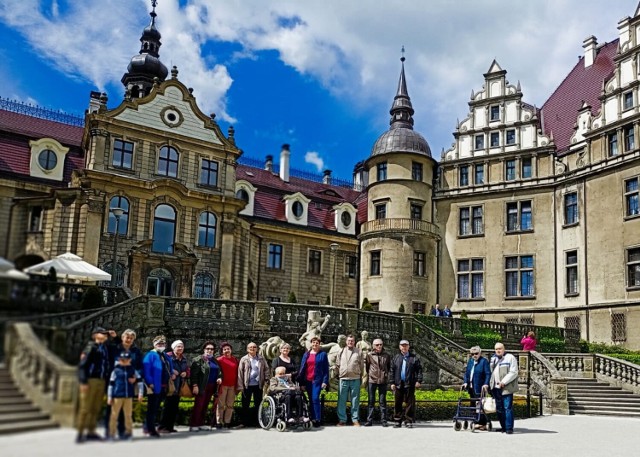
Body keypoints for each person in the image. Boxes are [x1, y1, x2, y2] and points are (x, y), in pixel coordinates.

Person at [75, 326, 111, 443]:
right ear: (95, 335)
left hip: (101, 380)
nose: (105, 335)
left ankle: (91, 431)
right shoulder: (91, 347)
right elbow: (82, 366)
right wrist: (83, 381)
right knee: (85, 408)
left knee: (96, 408)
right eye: (102, 333)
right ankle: (80, 433)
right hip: (91, 380)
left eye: (105, 334)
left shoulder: (104, 348)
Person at [106, 328, 143, 439]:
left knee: (127, 414)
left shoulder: (136, 351)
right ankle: (110, 433)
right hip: (116, 380)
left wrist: (135, 378)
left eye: (131, 338)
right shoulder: (117, 348)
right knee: (113, 412)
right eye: (127, 337)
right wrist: (115, 337)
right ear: (123, 338)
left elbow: (140, 367)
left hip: (129, 381)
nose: (129, 339)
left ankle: (124, 432)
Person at [142, 335, 175, 438]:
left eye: (163, 344)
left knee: (156, 408)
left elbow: (170, 366)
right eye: (159, 344)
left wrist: (172, 373)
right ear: (154, 344)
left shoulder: (165, 355)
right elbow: (146, 370)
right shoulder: (150, 355)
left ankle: (147, 426)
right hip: (154, 385)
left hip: (163, 385)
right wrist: (150, 382)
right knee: (152, 408)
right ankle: (151, 429)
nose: (161, 345)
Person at [189, 341, 223, 431]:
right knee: (198, 405)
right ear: (204, 349)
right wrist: (195, 385)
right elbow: (194, 375)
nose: (210, 350)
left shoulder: (214, 360)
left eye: (212, 349)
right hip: (201, 386)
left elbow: (219, 371)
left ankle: (201, 423)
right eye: (208, 348)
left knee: (205, 405)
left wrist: (219, 377)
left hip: (212, 386)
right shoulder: (198, 359)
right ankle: (194, 424)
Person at [389, 339, 423, 428]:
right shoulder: (396, 358)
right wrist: (392, 382)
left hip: (410, 383)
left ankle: (408, 420)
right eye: (402, 345)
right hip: (398, 383)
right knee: (397, 403)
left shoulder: (414, 358)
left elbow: (419, 370)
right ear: (399, 347)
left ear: (408, 347)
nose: (404, 347)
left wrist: (419, 381)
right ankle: (397, 420)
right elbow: (392, 371)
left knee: (410, 403)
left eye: (406, 345)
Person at [236, 342, 270, 428]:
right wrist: (240, 386)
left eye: (254, 347)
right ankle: (244, 422)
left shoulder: (261, 359)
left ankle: (258, 422)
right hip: (247, 385)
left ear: (257, 349)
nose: (252, 348)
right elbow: (240, 373)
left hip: (258, 385)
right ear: (247, 349)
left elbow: (266, 369)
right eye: (250, 347)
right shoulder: (244, 359)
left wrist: (266, 378)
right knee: (245, 404)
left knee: (258, 404)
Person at [298, 336, 329, 428]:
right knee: (310, 400)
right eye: (313, 342)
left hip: (317, 381)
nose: (315, 344)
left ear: (319, 344)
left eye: (317, 343)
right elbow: (302, 369)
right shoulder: (306, 354)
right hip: (308, 380)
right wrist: (302, 383)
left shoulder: (322, 354)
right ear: (311, 344)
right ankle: (312, 417)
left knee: (315, 398)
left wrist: (325, 381)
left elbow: (326, 369)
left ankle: (318, 419)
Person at [159, 340, 188, 433]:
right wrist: (171, 372)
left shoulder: (183, 358)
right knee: (167, 406)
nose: (180, 348)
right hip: (170, 385)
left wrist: (186, 373)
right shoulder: (167, 356)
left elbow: (187, 369)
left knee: (174, 407)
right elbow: (162, 367)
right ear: (173, 347)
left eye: (182, 347)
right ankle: (162, 427)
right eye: (178, 346)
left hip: (179, 385)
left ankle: (170, 426)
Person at [490, 342, 519, 434]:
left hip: (506, 387)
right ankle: (503, 426)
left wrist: (504, 382)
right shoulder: (493, 359)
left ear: (504, 349)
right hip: (495, 387)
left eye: (500, 348)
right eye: (496, 349)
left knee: (507, 407)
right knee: (499, 408)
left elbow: (513, 372)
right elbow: (491, 373)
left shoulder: (510, 358)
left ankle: (509, 428)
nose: (498, 350)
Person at [336, 334, 364, 426]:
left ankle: (355, 419)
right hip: (343, 378)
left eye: (352, 341)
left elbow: (361, 365)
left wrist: (358, 373)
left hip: (355, 378)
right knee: (341, 400)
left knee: (355, 400)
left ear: (354, 342)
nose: (350, 342)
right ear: (346, 341)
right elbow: (338, 364)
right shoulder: (341, 351)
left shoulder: (358, 352)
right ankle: (342, 419)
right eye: (349, 340)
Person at [461, 346, 491, 430]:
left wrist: (486, 384)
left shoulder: (484, 361)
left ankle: (483, 423)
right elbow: (467, 373)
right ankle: (475, 420)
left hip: (480, 387)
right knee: (473, 405)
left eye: (476, 353)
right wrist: (465, 382)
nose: (474, 355)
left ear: (480, 353)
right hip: (471, 387)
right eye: (472, 354)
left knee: (481, 406)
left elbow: (488, 374)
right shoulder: (470, 361)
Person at [364, 338, 391, 427]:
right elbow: (367, 367)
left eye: (380, 344)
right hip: (372, 380)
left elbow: (388, 366)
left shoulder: (386, 355)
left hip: (383, 380)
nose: (379, 346)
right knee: (371, 401)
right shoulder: (369, 355)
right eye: (377, 345)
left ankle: (383, 420)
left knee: (382, 401)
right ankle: (369, 420)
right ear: (373, 346)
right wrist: (371, 374)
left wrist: (385, 375)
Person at [217, 341, 239, 429]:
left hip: (232, 385)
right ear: (222, 351)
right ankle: (219, 421)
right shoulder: (219, 360)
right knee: (221, 405)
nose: (227, 350)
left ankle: (227, 422)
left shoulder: (235, 360)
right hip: (223, 385)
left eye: (228, 349)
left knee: (230, 405)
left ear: (231, 350)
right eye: (225, 349)